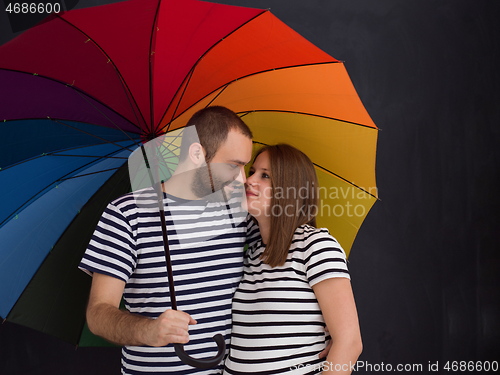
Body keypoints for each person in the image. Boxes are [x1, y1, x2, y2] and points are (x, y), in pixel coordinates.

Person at [79, 106, 253, 374]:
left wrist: (332, 323)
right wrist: (149, 330)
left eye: (245, 166)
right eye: (233, 165)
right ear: (197, 153)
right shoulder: (126, 214)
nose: (242, 179)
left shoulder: (237, 210)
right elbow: (98, 313)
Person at [223, 144, 362, 375]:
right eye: (252, 172)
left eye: (265, 175)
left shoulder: (315, 246)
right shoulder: (250, 255)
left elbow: (349, 343)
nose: (249, 180)